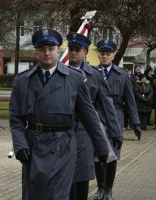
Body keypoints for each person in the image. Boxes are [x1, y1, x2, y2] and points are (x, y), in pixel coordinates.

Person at [9, 29, 109, 200]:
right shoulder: (23, 80)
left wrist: (102, 147)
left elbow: (89, 116)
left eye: (51, 48)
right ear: (36, 52)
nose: (47, 53)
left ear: (58, 50)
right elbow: (15, 117)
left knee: (59, 195)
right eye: (42, 49)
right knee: (34, 194)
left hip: (63, 146)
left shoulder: (74, 79)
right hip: (34, 146)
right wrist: (20, 144)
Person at [66, 33, 121, 200]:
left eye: (77, 50)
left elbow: (107, 105)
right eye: (71, 49)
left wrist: (115, 131)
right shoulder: (60, 72)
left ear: (85, 51)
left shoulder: (95, 76)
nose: (73, 53)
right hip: (63, 132)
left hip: (85, 132)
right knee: (64, 175)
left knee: (82, 175)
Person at [95, 40, 141, 200]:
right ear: (98, 54)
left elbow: (130, 101)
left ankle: (108, 190)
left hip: (116, 117)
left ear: (114, 55)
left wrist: (136, 122)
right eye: (102, 53)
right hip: (98, 118)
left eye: (108, 53)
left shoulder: (122, 75)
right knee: (98, 155)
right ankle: (100, 188)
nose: (105, 56)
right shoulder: (92, 73)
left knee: (113, 154)